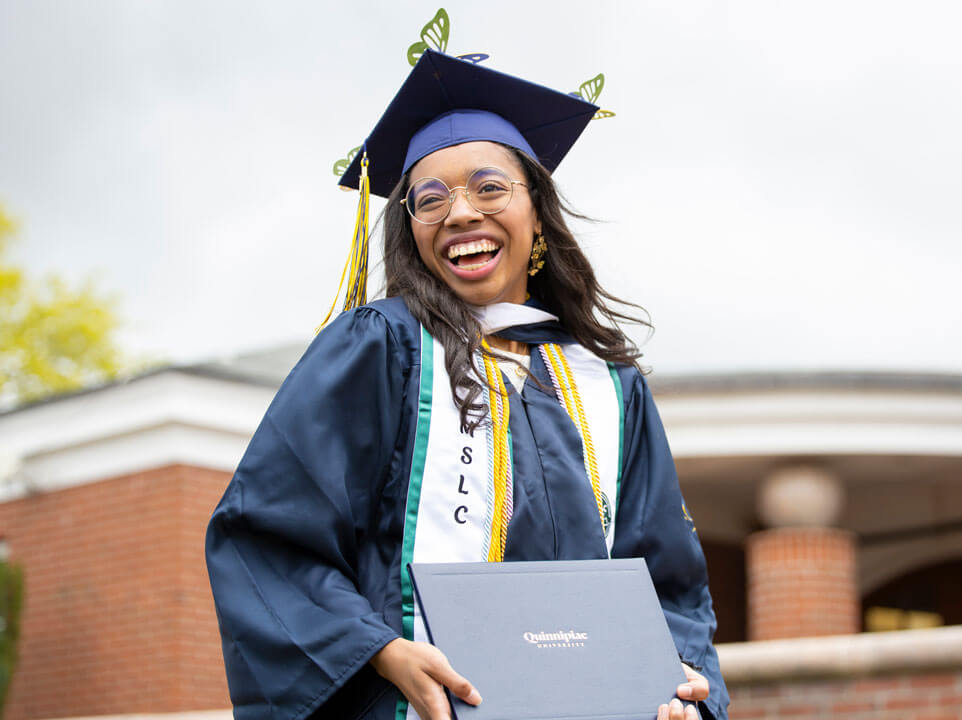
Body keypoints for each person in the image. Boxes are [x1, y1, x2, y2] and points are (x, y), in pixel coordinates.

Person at [204, 36, 728, 720]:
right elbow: (268, 538)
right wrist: (380, 650)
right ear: (411, 229)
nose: (460, 213)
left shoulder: (608, 382)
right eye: (429, 199)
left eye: (489, 187)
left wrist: (679, 681)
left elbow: (667, 581)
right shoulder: (381, 349)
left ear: (537, 212)